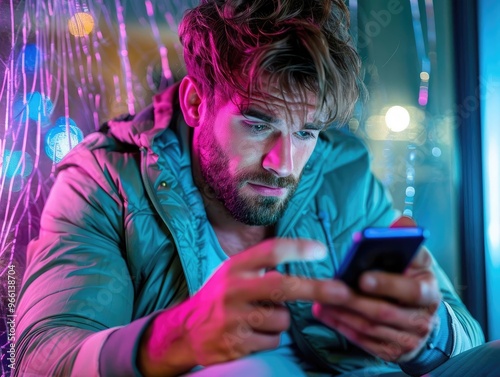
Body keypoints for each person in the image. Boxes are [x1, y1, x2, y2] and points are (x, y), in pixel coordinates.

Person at [14, 0, 498, 376]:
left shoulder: (339, 170)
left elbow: (468, 340)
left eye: (306, 132)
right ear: (196, 102)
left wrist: (425, 336)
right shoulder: (104, 182)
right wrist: (174, 339)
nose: (284, 164)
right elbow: (40, 358)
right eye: (256, 121)